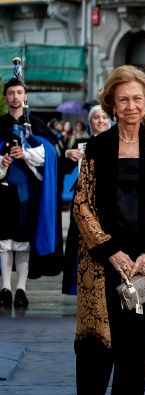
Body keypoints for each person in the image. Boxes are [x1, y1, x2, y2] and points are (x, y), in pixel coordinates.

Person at [72, 65, 145, 395]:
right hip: (103, 263)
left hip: (144, 266)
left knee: (136, 346)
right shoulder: (96, 147)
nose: (131, 106)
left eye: (137, 99)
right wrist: (111, 251)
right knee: (97, 346)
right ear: (112, 105)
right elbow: (81, 203)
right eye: (123, 100)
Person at [0, 78, 57, 314]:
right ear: (6, 97)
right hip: (3, 189)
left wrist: (26, 153)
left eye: (19, 92)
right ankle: (4, 287)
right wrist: (1, 162)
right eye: (11, 93)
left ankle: (21, 289)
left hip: (27, 193)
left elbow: (50, 154)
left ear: (26, 96)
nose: (15, 96)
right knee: (3, 241)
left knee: (23, 242)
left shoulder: (36, 124)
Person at [61, 106, 111, 296]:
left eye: (104, 117)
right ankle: (83, 284)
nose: (100, 121)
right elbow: (64, 168)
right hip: (85, 203)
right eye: (96, 118)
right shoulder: (82, 144)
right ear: (90, 123)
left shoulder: (120, 143)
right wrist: (67, 154)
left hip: (109, 203)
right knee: (82, 243)